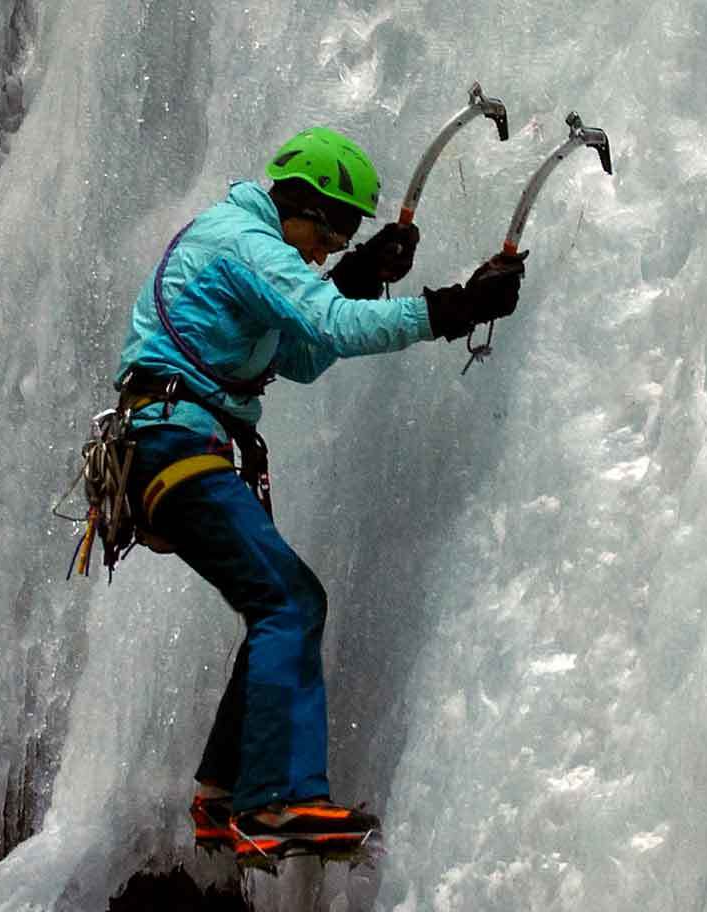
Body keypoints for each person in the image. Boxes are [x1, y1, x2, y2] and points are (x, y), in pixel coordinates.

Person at [111, 125, 527, 859]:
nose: (325, 251)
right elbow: (327, 321)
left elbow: (301, 355)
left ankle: (222, 794)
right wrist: (451, 308)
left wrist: (361, 276)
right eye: (332, 235)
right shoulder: (242, 240)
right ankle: (275, 804)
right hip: (174, 443)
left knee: (279, 603)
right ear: (304, 204)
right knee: (289, 603)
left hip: (170, 445)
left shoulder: (246, 243)